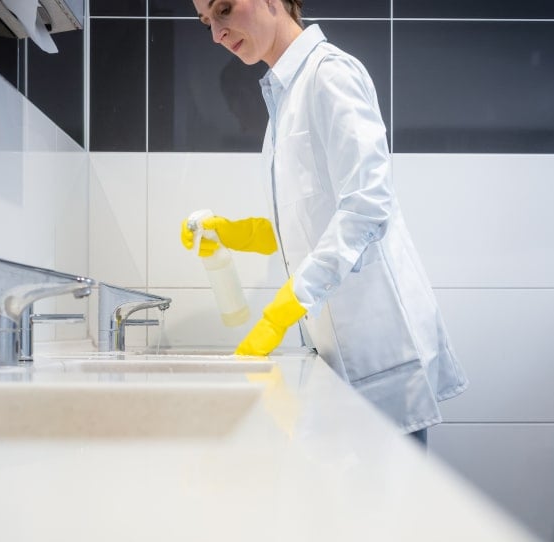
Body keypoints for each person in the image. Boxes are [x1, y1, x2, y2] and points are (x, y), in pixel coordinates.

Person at [183, 0, 467, 445]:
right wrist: (234, 232)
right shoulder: (285, 99)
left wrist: (286, 307)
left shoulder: (329, 75)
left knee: (385, 511)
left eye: (223, 9)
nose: (216, 33)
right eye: (206, 22)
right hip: (338, 357)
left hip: (378, 352)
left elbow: (367, 205)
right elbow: (308, 222)